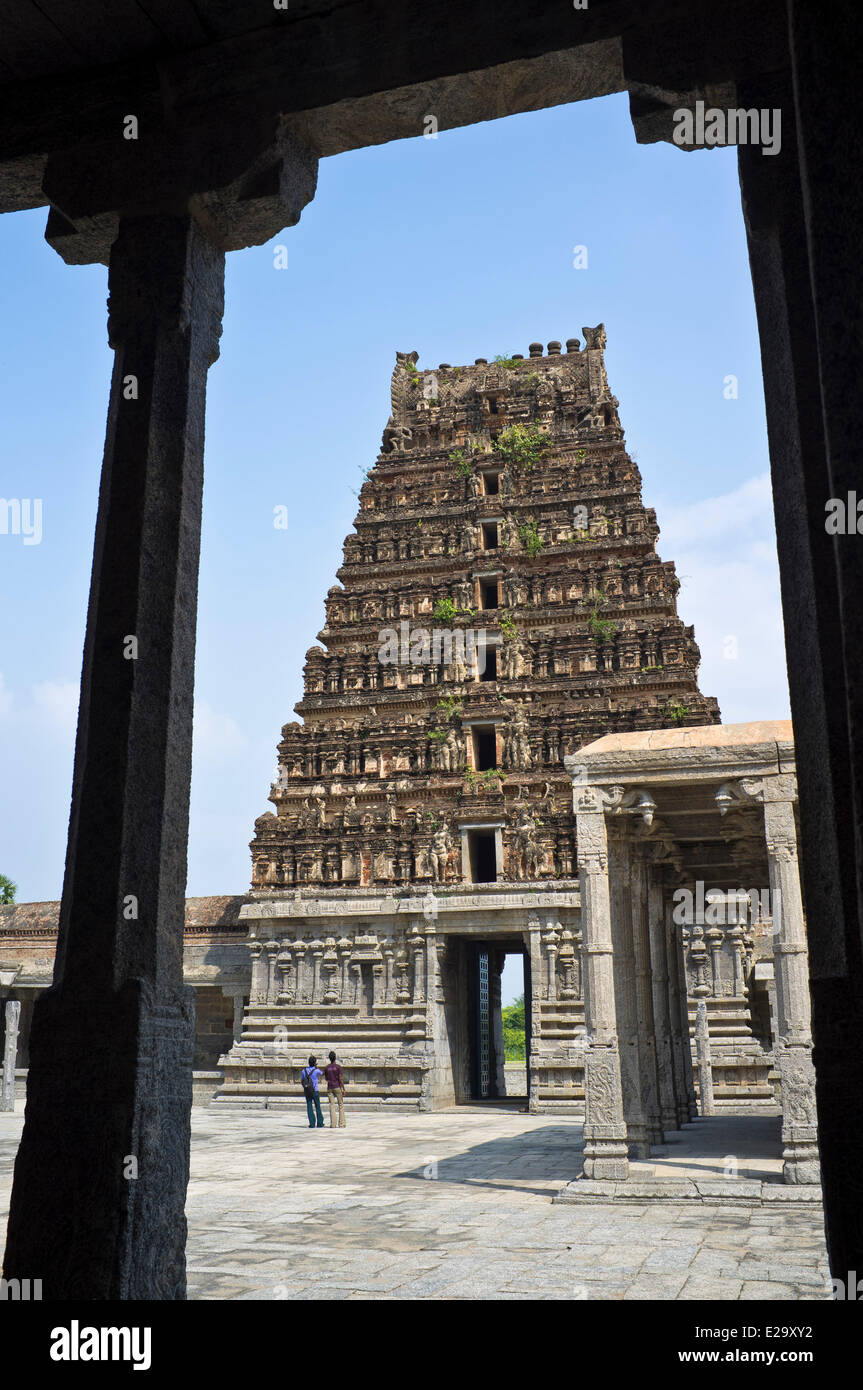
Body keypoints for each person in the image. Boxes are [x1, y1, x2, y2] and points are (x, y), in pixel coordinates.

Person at [324, 1050, 347, 1128]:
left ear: (329, 1058)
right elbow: (340, 1078)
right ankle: (341, 1123)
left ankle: (333, 1124)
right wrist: (343, 1088)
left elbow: (326, 1078)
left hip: (330, 1087)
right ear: (335, 1058)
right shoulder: (338, 1067)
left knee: (332, 1105)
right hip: (337, 1086)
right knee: (340, 1104)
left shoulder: (327, 1067)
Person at [300, 1055, 324, 1128]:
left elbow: (302, 1081)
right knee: (317, 1106)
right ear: (314, 1063)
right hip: (315, 1090)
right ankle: (320, 1123)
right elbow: (322, 1074)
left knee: (309, 1106)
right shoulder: (316, 1070)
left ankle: (312, 1123)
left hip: (307, 1091)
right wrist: (316, 1067)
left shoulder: (303, 1071)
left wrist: (305, 1087)